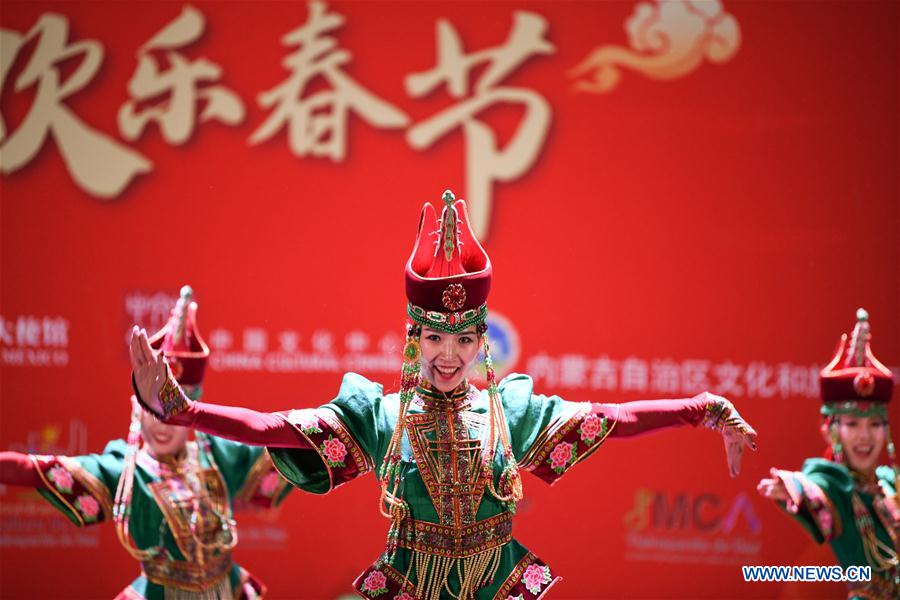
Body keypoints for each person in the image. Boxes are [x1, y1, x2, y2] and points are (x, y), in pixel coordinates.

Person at [130, 192, 757, 599]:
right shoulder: (378, 415)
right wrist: (186, 412)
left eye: (461, 339)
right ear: (414, 338)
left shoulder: (513, 411)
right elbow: (273, 430)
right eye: (433, 337)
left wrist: (703, 409)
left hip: (500, 586)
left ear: (480, 340)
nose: (447, 355)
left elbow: (613, 418)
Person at [0, 286, 291, 600]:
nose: (161, 425)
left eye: (171, 416)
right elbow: (32, 469)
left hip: (228, 591)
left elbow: (285, 449)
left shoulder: (217, 453)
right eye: (152, 413)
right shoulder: (126, 469)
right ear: (136, 410)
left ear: (192, 415)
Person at [757, 308, 898, 599]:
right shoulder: (837, 485)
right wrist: (794, 488)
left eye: (875, 424)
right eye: (852, 424)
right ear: (831, 432)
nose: (865, 435)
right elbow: (813, 486)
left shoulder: (891, 483)